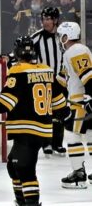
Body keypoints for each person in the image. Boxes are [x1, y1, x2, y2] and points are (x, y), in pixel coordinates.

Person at [0, 35, 70, 206]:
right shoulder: (46, 69)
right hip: (41, 129)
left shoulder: (18, 71)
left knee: (24, 169)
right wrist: (64, 116)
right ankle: (21, 202)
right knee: (14, 166)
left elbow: (6, 101)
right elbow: (59, 103)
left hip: (27, 129)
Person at [56, 21, 92, 188]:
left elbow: (87, 75)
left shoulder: (76, 50)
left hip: (80, 100)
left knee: (72, 135)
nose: (59, 39)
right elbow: (63, 80)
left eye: (60, 35)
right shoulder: (70, 52)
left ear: (66, 36)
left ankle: (78, 174)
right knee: (90, 135)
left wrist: (90, 97)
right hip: (80, 98)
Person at [31, 7, 67, 157]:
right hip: (43, 81)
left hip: (61, 80)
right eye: (44, 19)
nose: (45, 22)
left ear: (55, 20)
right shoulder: (36, 38)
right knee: (45, 114)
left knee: (60, 114)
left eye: (48, 19)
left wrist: (64, 75)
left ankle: (57, 144)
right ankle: (46, 143)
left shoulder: (63, 37)